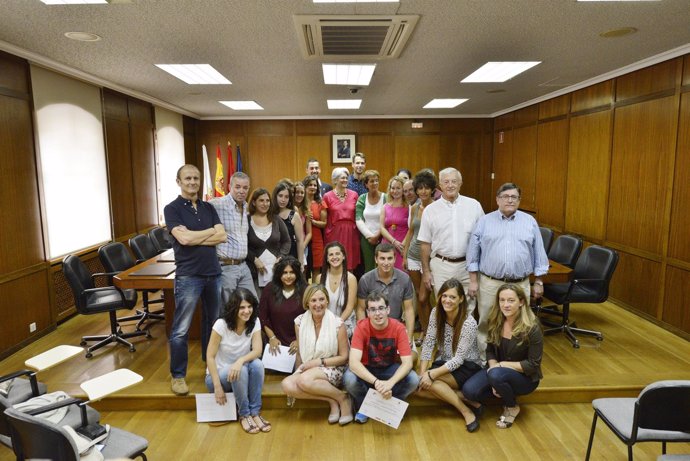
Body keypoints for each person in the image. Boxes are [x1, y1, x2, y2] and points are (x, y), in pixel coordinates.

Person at [164, 164, 227, 396]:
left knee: (215, 324)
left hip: (213, 273)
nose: (193, 182)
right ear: (179, 181)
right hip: (189, 275)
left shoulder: (208, 207)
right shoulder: (172, 209)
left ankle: (211, 365)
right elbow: (184, 240)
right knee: (181, 328)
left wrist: (193, 236)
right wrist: (205, 233)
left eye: (196, 178)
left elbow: (222, 235)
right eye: (188, 178)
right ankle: (178, 376)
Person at [466, 182, 548, 357]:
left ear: (519, 200)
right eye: (505, 197)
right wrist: (473, 281)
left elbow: (539, 253)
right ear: (497, 200)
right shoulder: (484, 221)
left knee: (520, 322)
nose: (510, 200)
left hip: (520, 284)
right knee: (487, 322)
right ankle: (485, 359)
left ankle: (515, 359)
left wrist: (539, 282)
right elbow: (473, 254)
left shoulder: (529, 222)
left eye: (514, 197)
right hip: (490, 282)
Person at [462, 284, 543, 429]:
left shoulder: (532, 327)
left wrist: (500, 366)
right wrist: (494, 369)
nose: (506, 305)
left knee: (496, 375)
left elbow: (532, 365)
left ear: (521, 302)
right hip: (498, 371)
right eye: (502, 300)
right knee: (469, 391)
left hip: (525, 377)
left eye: (511, 300)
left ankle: (512, 406)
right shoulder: (496, 320)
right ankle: (501, 387)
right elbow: (490, 351)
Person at [416, 279, 483, 432]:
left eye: (452, 297)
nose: (447, 300)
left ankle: (466, 412)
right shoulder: (435, 312)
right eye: (444, 296)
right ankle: (465, 398)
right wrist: (422, 373)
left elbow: (459, 360)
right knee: (418, 386)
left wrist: (431, 374)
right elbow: (429, 343)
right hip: (444, 361)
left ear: (461, 299)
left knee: (429, 383)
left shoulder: (469, 323)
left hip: (467, 365)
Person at [343, 291, 420, 424]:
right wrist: (376, 383)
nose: (377, 313)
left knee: (413, 379)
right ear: (368, 313)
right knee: (349, 379)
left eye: (381, 308)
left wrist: (390, 383)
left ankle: (392, 404)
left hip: (389, 369)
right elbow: (354, 363)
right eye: (372, 310)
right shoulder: (361, 327)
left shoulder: (399, 328)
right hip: (367, 369)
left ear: (388, 310)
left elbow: (407, 363)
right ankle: (364, 406)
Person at [281, 284, 353, 425]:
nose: (318, 304)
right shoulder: (299, 322)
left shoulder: (338, 323)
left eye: (321, 299)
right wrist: (298, 371)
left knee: (304, 381)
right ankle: (332, 400)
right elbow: (300, 353)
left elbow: (344, 358)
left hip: (334, 367)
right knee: (287, 385)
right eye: (313, 300)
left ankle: (344, 399)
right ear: (307, 302)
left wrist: (318, 362)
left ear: (327, 301)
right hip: (309, 367)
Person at [205, 288, 270, 434]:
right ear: (234, 308)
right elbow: (210, 356)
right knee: (242, 370)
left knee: (258, 365)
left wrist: (240, 360)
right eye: (242, 307)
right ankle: (244, 414)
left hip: (241, 370)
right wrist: (217, 387)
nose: (247, 311)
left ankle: (255, 412)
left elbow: (257, 351)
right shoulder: (221, 324)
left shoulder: (255, 321)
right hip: (217, 377)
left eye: (249, 306)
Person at [418, 167, 484, 297]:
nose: (450, 185)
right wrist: (426, 272)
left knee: (467, 307)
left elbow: (483, 239)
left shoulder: (474, 206)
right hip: (441, 267)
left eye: (454, 181)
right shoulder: (430, 210)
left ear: (460, 183)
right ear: (440, 185)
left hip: (467, 267)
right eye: (446, 182)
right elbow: (425, 244)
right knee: (444, 306)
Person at [210, 171, 257, 304]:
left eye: (245, 188)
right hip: (226, 267)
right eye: (237, 187)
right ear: (229, 186)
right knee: (228, 308)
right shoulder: (217, 204)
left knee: (252, 303)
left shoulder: (247, 207)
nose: (241, 191)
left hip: (243, 266)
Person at [402, 169, 437, 345]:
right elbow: (410, 231)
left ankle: (432, 332)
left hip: (430, 259)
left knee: (424, 298)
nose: (423, 191)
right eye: (420, 188)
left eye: (426, 188)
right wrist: (405, 255)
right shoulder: (415, 207)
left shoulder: (437, 207)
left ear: (432, 189)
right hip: (414, 256)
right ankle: (425, 332)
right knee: (419, 296)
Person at [356, 242, 415, 344]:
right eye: (382, 258)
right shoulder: (365, 279)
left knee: (411, 356)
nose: (386, 262)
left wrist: (409, 337)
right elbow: (361, 309)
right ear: (376, 259)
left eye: (389, 258)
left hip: (397, 327)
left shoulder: (405, 279)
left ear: (395, 259)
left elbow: (409, 309)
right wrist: (365, 334)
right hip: (372, 328)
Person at [259, 256, 307, 366]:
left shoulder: (305, 289)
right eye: (285, 272)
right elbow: (263, 317)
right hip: (275, 342)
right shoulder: (269, 288)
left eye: (292, 272)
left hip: (299, 342)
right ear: (279, 274)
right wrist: (272, 338)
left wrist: (299, 341)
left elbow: (310, 319)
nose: (288, 276)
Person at [246, 188, 291, 292]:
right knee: (258, 303)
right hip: (254, 273)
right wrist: (254, 259)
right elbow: (243, 245)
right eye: (261, 200)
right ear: (253, 202)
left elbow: (286, 241)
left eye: (267, 201)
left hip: (276, 273)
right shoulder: (247, 220)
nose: (265, 204)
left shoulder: (276, 219)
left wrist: (281, 257)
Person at [315, 242, 358, 338]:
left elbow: (350, 307)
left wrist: (336, 324)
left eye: (337, 254)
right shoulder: (320, 278)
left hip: (344, 323)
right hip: (324, 323)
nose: (334, 257)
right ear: (327, 258)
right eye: (331, 254)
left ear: (343, 256)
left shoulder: (351, 279)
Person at [322, 167, 360, 271]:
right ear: (335, 180)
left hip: (351, 233)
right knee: (334, 261)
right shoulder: (327, 196)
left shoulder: (354, 195)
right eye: (342, 178)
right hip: (334, 233)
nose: (345, 180)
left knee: (350, 262)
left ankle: (349, 285)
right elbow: (324, 218)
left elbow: (358, 215)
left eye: (346, 178)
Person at [355, 169, 386, 272]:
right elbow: (358, 219)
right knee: (369, 268)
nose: (375, 183)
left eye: (377, 180)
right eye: (372, 181)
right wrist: (370, 236)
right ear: (366, 184)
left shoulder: (385, 197)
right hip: (366, 239)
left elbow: (388, 219)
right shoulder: (362, 198)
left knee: (383, 267)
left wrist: (377, 235)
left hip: (383, 237)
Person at [380, 176, 409, 271]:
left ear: (403, 190)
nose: (395, 191)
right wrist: (394, 242)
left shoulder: (409, 207)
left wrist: (402, 245)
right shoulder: (385, 206)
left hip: (402, 246)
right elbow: (382, 228)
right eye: (393, 188)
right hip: (387, 244)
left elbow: (411, 229)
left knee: (402, 275)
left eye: (398, 188)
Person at [273, 182, 305, 265]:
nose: (283, 200)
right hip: (273, 255)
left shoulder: (294, 215)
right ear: (275, 196)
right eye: (280, 196)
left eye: (286, 197)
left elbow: (300, 241)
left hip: (291, 255)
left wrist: (301, 262)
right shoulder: (270, 214)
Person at [303, 175, 326, 279]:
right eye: (310, 185)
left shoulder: (320, 203)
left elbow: (324, 223)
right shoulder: (300, 203)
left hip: (317, 240)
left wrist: (312, 221)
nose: (313, 187)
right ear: (305, 187)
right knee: (303, 267)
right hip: (302, 238)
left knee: (317, 269)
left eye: (315, 185)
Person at [293, 180, 312, 269]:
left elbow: (309, 233)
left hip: (303, 244)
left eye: (302, 193)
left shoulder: (306, 210)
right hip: (292, 244)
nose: (300, 195)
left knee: (302, 271)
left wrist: (303, 245)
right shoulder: (289, 208)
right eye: (297, 192)